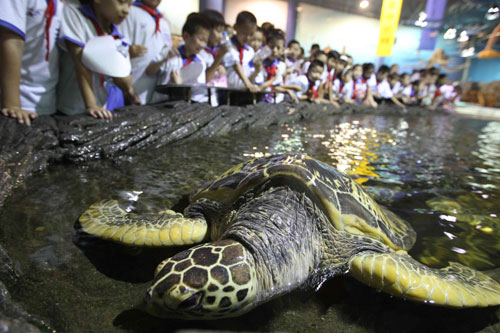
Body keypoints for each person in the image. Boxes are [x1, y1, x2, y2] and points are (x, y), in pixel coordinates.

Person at [57, 0, 139, 120]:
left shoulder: (120, 37)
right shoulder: (75, 15)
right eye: (121, 2)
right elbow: (81, 63)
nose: (126, 10)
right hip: (72, 109)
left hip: (101, 110)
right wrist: (91, 104)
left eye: (130, 4)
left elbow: (125, 84)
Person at [0, 0, 62, 126]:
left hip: (47, 101)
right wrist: (12, 104)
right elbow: (11, 39)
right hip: (16, 104)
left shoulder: (61, 4)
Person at [119, 0, 172, 104]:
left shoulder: (162, 20)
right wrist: (128, 51)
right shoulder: (130, 12)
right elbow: (118, 47)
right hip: (130, 88)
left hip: (154, 91)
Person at [162, 13, 211, 103]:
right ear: (186, 36)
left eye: (205, 41)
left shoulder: (201, 62)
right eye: (200, 39)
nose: (203, 45)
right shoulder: (172, 57)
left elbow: (199, 92)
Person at [222, 11, 259, 92]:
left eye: (251, 34)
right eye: (245, 33)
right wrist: (248, 84)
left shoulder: (250, 51)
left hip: (243, 92)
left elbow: (250, 74)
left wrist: (257, 71)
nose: (247, 37)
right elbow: (235, 64)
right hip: (226, 92)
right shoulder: (227, 46)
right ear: (235, 27)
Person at [199, 8, 229, 100]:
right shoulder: (198, 51)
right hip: (199, 100)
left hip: (212, 99)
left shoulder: (214, 50)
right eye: (218, 31)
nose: (220, 36)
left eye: (222, 32)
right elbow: (205, 79)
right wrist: (218, 58)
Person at [252, 29, 287, 103]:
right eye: (271, 46)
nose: (274, 50)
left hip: (272, 103)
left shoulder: (280, 66)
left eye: (278, 48)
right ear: (266, 46)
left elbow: (276, 87)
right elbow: (259, 87)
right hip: (257, 101)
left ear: (282, 50)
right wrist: (273, 79)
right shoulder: (259, 61)